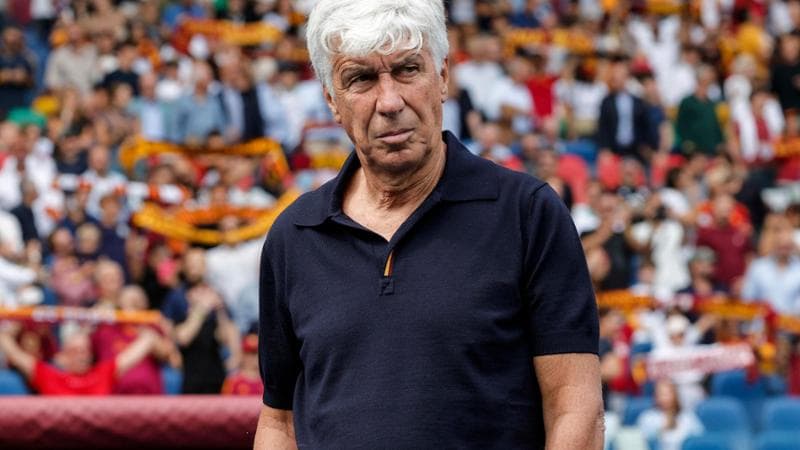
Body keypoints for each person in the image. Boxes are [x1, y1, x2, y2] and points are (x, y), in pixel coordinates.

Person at [254, 1, 602, 449]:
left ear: (442, 76)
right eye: (360, 78)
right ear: (331, 100)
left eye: (407, 70)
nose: (389, 101)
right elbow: (279, 420)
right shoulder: (295, 235)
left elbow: (576, 407)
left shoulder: (528, 214)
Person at [0, 320, 160, 395]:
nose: (82, 356)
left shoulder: (102, 373)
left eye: (85, 351)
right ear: (62, 356)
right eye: (76, 351)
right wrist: (18, 323)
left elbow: (145, 343)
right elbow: (11, 351)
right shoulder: (48, 375)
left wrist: (141, 320)